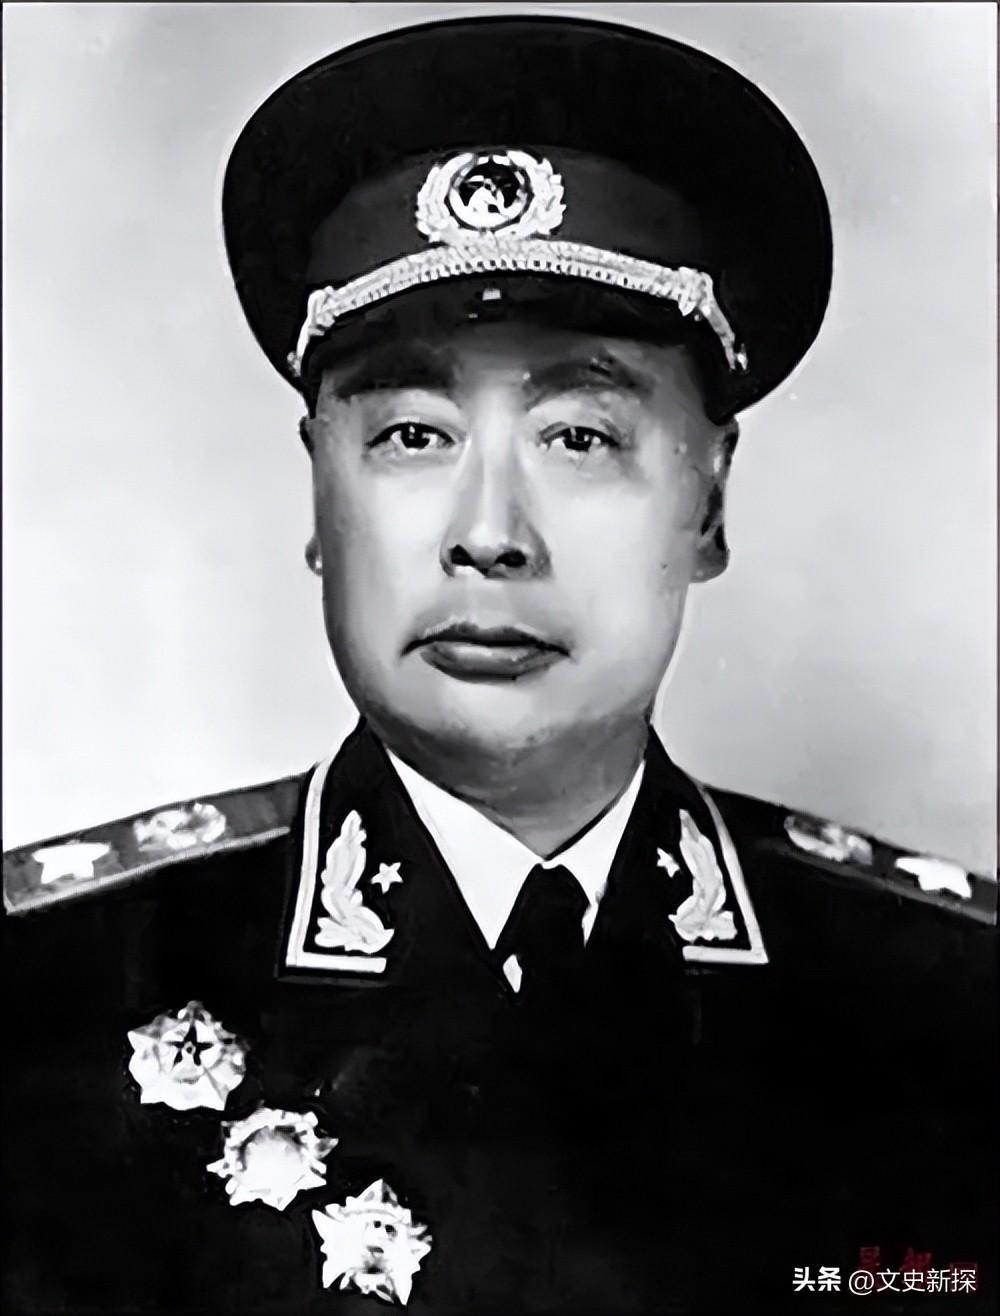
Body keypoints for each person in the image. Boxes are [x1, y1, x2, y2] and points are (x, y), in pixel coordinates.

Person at [3, 14, 996, 1315]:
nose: (488, 533)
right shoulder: (46, 997)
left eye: (580, 438)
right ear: (319, 498)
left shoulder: (948, 1008)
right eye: (412, 435)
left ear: (708, 504)